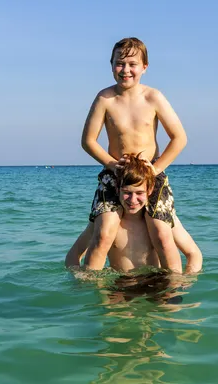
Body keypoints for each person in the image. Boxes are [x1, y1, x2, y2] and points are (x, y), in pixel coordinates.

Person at [81, 37, 189, 274]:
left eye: (132, 64)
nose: (126, 70)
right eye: (120, 63)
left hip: (150, 174)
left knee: (161, 232)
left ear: (144, 67)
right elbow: (88, 141)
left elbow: (179, 138)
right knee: (104, 233)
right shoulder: (104, 98)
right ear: (111, 65)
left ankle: (172, 287)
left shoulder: (153, 97)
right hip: (114, 174)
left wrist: (156, 169)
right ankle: (91, 289)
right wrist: (111, 164)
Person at [66, 154, 202, 275]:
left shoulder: (160, 221)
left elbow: (194, 254)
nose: (132, 200)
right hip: (119, 285)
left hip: (154, 283)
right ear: (118, 190)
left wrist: (187, 279)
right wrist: (79, 280)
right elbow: (73, 255)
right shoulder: (107, 223)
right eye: (127, 193)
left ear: (149, 191)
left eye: (139, 193)